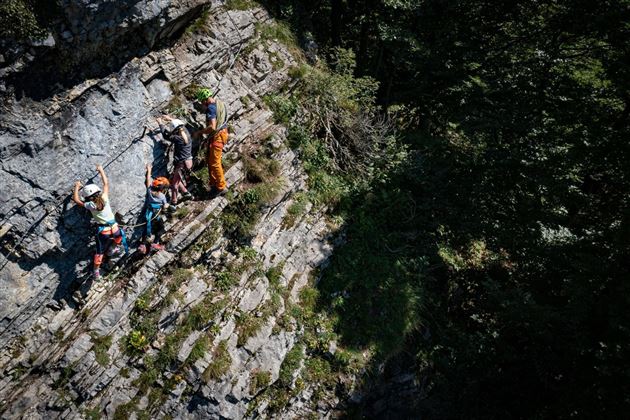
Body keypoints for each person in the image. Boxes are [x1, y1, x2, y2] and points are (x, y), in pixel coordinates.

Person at [72, 164, 128, 279]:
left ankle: (96, 271)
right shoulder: (104, 197)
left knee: (99, 252)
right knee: (119, 236)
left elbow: (77, 200)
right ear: (98, 192)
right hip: (114, 227)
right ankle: (112, 249)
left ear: (88, 197)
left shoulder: (90, 205)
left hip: (104, 231)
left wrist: (77, 187)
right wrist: (101, 170)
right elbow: (106, 184)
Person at [192, 88, 229, 198]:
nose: (202, 105)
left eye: (202, 102)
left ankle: (221, 187)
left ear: (204, 100)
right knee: (210, 160)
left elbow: (212, 127)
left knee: (215, 162)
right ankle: (214, 184)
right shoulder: (220, 104)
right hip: (222, 134)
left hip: (217, 137)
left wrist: (199, 132)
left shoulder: (211, 109)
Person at [156, 115, 193, 206]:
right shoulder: (186, 133)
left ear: (175, 131)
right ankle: (185, 193)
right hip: (187, 162)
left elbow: (165, 135)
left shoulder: (178, 138)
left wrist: (160, 122)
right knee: (175, 179)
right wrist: (170, 119)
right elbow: (179, 125)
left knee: (174, 184)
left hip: (182, 164)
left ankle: (173, 203)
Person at [139, 164, 170, 254]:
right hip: (156, 216)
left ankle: (142, 245)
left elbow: (148, 179)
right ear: (162, 189)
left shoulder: (149, 190)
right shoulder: (162, 196)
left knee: (147, 228)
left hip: (148, 213)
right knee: (161, 229)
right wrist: (168, 205)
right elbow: (165, 206)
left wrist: (149, 170)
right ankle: (155, 243)